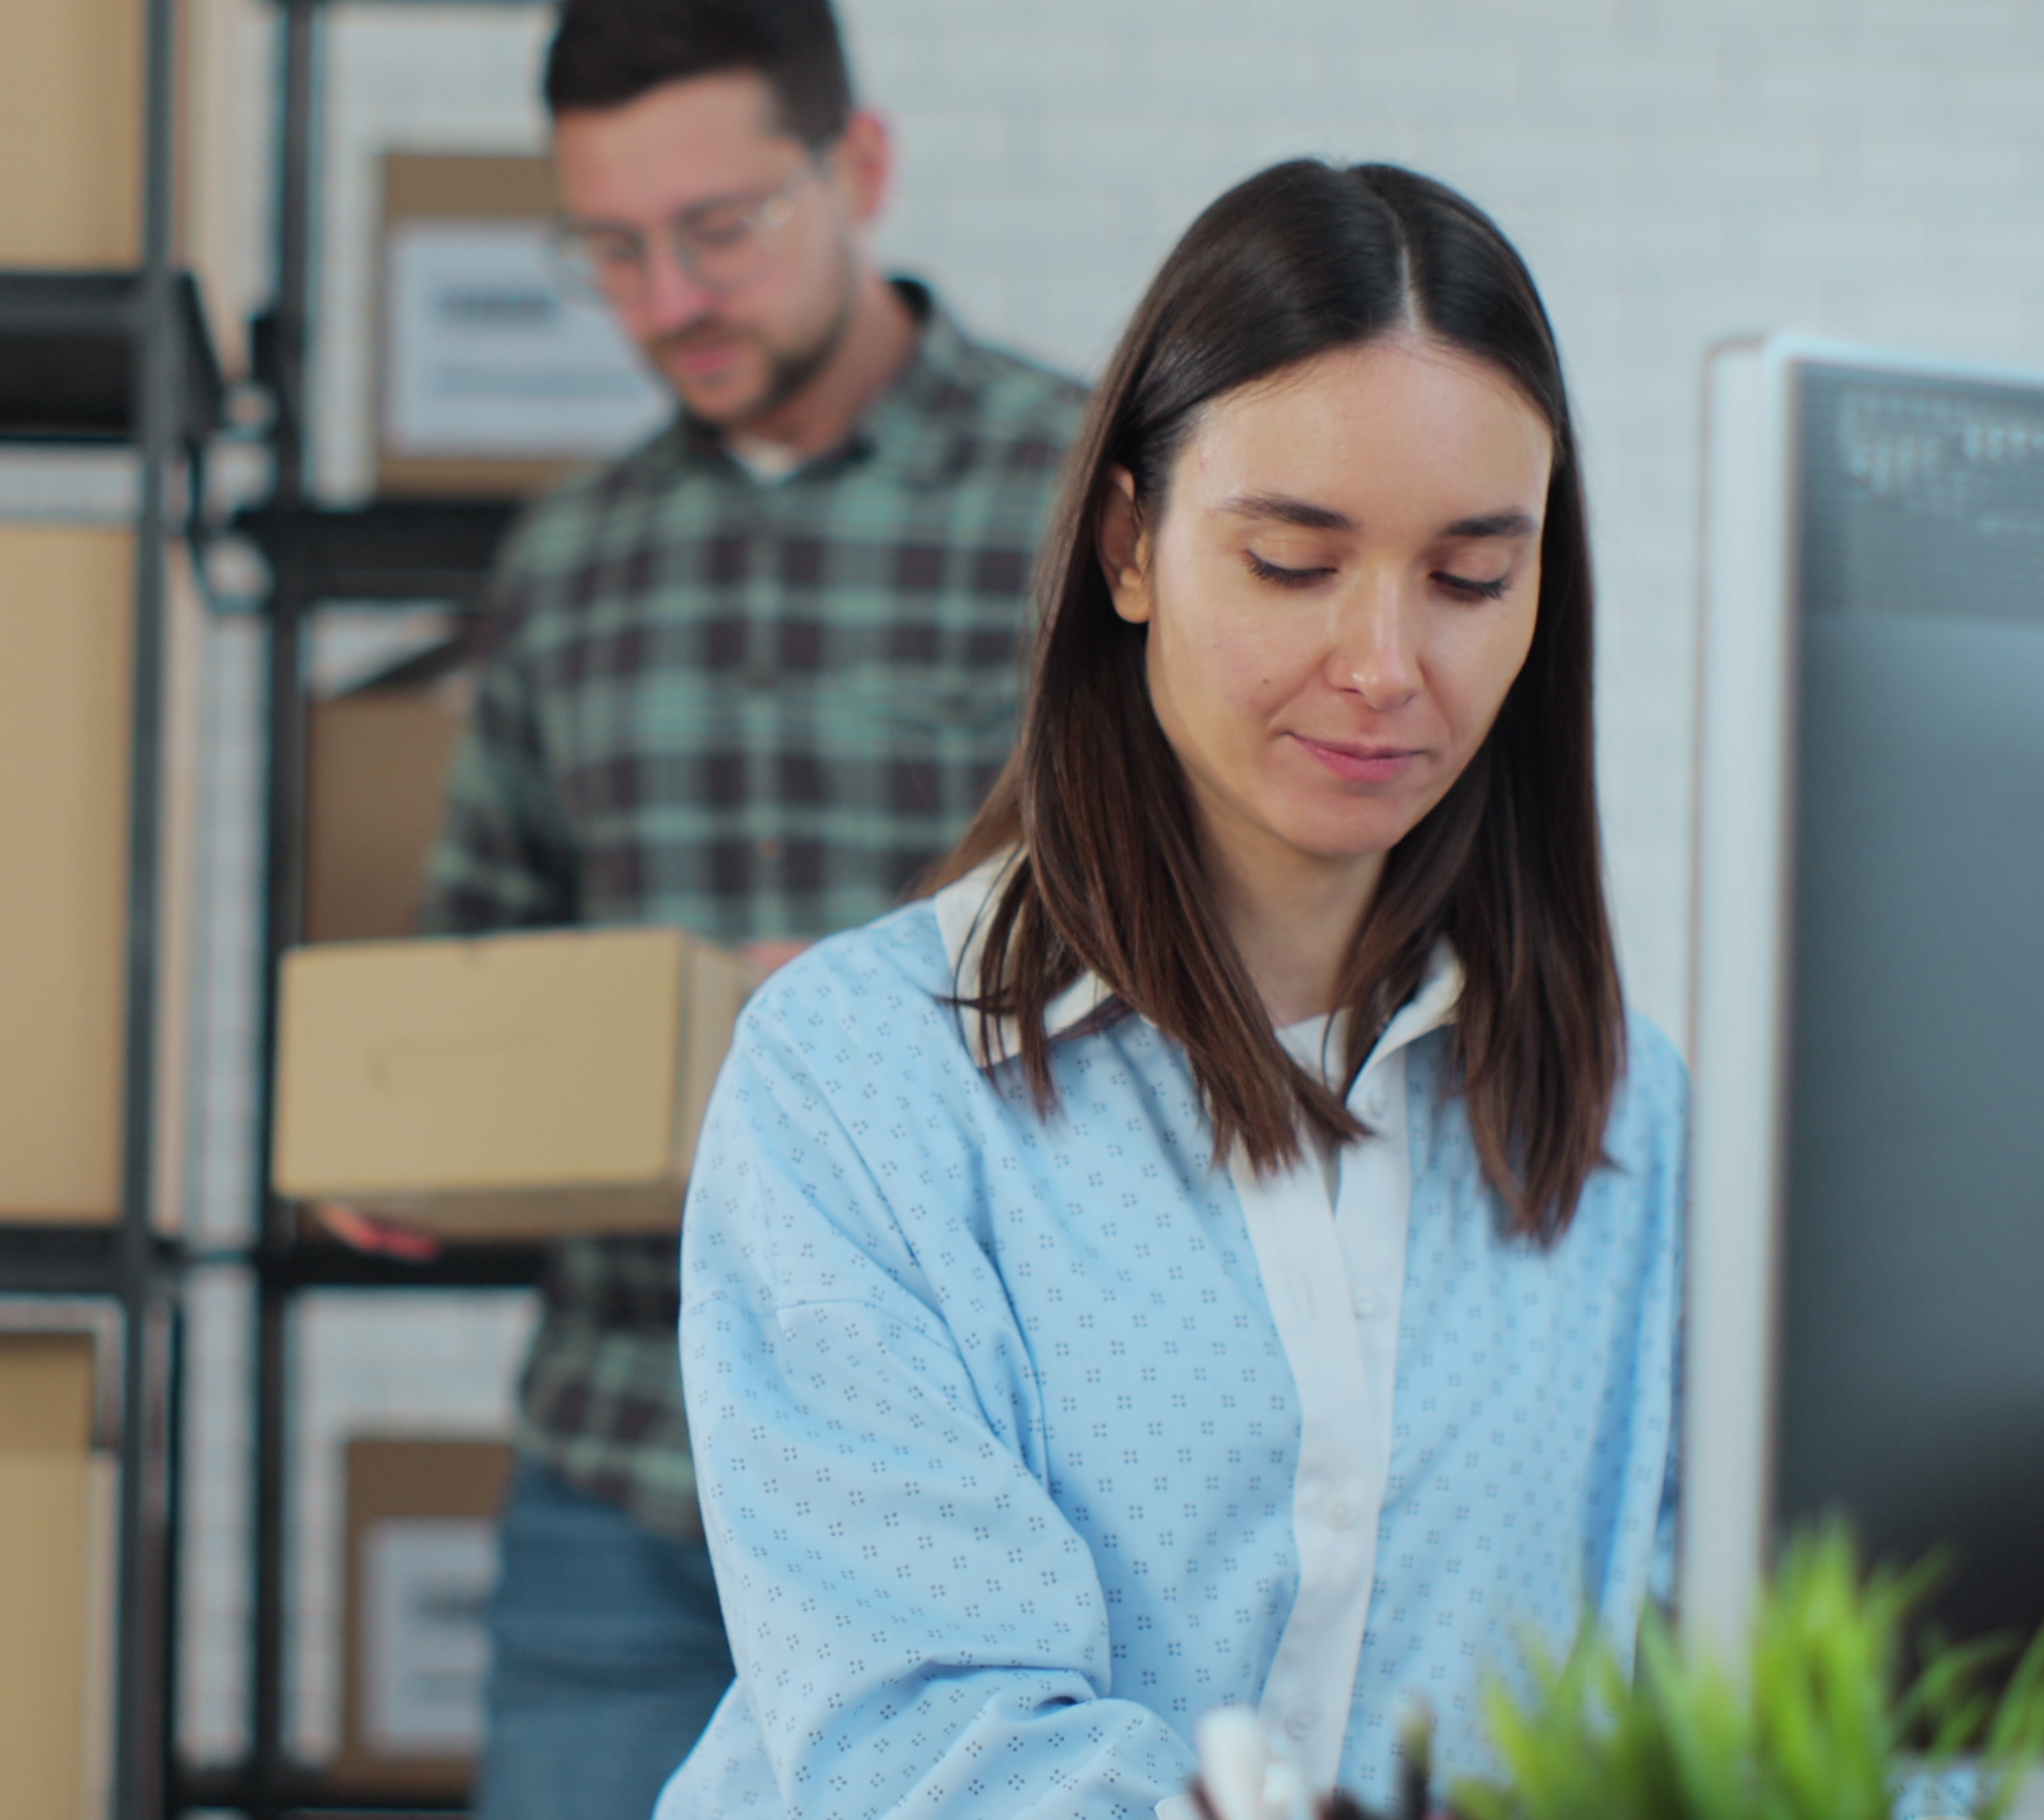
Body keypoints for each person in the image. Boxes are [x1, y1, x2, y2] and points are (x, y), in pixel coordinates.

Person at [657, 159, 1684, 1818]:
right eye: (1291, 561)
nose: (1381, 663)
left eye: (1469, 578)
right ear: (1128, 546)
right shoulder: (860, 1087)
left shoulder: (1632, 1122)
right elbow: (931, 1747)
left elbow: (1730, 1679)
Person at [321, 3, 1088, 1817]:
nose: (665, 298)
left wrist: (858, 1007)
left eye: (717, 229)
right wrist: (408, 1113)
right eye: (609, 249)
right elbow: (478, 936)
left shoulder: (1093, 504)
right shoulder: (570, 560)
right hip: (622, 1474)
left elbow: (1191, 932)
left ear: (860, 168)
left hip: (987, 1468)